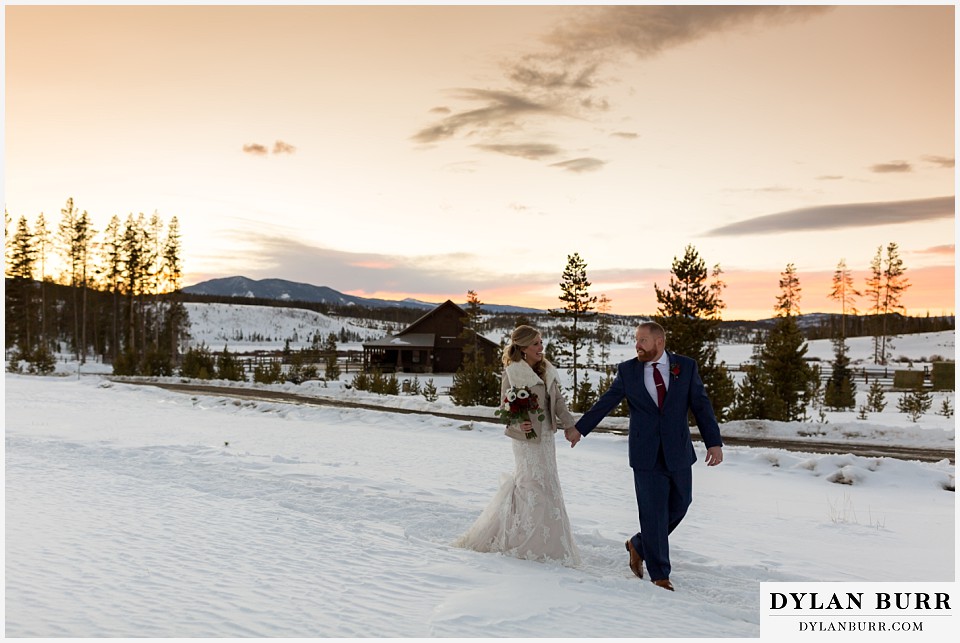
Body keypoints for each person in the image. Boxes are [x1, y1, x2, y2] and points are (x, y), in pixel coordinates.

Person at [565, 321, 723, 590]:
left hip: (678, 452)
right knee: (653, 513)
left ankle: (638, 544)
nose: (637, 345)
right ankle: (660, 574)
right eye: (636, 340)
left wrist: (713, 442)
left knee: (681, 503)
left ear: (659, 342)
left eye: (642, 341)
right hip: (645, 453)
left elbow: (701, 405)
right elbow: (607, 400)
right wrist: (580, 428)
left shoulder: (685, 367)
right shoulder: (628, 371)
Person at [453, 325, 581, 567]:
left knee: (548, 484)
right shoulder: (513, 373)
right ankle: (521, 539)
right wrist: (517, 424)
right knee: (530, 485)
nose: (540, 347)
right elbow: (504, 409)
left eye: (541, 342)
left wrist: (571, 427)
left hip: (545, 438)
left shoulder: (547, 371)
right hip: (525, 441)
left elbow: (559, 404)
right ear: (522, 348)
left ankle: (550, 542)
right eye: (535, 344)